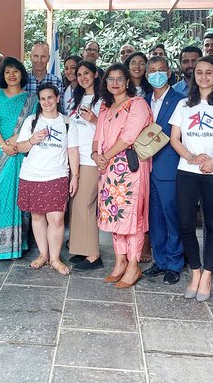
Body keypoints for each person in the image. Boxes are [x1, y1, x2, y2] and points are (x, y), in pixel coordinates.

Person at [169, 56, 213, 302]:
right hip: (187, 172)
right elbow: (174, 138)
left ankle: (208, 275)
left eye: (209, 72)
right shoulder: (184, 105)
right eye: (199, 72)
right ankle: (195, 272)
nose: (204, 77)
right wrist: (190, 156)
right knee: (186, 224)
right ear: (194, 76)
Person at [92, 63, 152, 289]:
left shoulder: (137, 105)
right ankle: (119, 263)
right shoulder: (105, 107)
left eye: (119, 79)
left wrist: (105, 156)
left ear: (128, 82)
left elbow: (128, 137)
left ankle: (134, 266)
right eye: (110, 79)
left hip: (130, 170)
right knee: (115, 217)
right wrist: (95, 154)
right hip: (108, 170)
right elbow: (97, 135)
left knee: (132, 219)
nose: (114, 83)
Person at [16, 83, 80, 274]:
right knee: (37, 215)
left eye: (50, 97)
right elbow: (20, 148)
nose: (46, 102)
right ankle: (43, 254)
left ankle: (55, 258)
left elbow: (73, 151)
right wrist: (32, 140)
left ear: (58, 98)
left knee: (57, 218)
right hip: (32, 174)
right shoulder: (31, 121)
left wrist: (74, 176)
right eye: (42, 98)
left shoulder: (68, 123)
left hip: (57, 175)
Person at [142, 56, 186, 285]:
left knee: (171, 215)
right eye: (152, 70)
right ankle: (159, 261)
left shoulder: (181, 100)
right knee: (154, 217)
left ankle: (174, 263)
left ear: (169, 73)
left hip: (169, 166)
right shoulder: (143, 100)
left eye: (161, 70)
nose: (156, 74)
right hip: (144, 167)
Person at [0, 57, 36, 260]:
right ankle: (1, 245)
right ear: (3, 75)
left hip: (21, 151)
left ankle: (19, 243)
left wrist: (15, 144)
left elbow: (32, 123)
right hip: (0, 152)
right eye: (7, 71)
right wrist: (4, 146)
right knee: (2, 195)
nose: (11, 75)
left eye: (16, 71)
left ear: (21, 74)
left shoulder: (31, 99)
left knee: (20, 195)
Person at [67, 60, 103, 270]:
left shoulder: (102, 100)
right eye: (79, 74)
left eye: (86, 73)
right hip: (76, 158)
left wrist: (95, 120)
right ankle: (81, 248)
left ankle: (94, 255)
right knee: (76, 205)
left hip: (92, 159)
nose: (82, 77)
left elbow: (110, 127)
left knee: (85, 205)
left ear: (96, 74)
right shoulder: (76, 99)